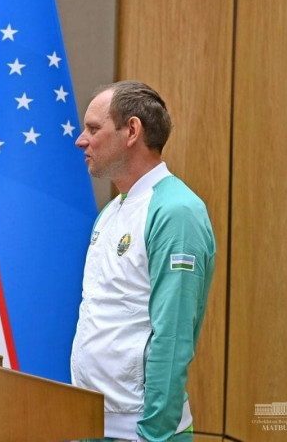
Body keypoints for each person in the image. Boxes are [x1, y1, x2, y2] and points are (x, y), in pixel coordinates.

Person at [70, 81, 216, 442]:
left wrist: (155, 434)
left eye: (93, 129)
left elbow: (174, 333)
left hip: (142, 433)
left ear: (132, 131)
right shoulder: (111, 212)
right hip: (89, 422)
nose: (81, 140)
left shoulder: (176, 211)